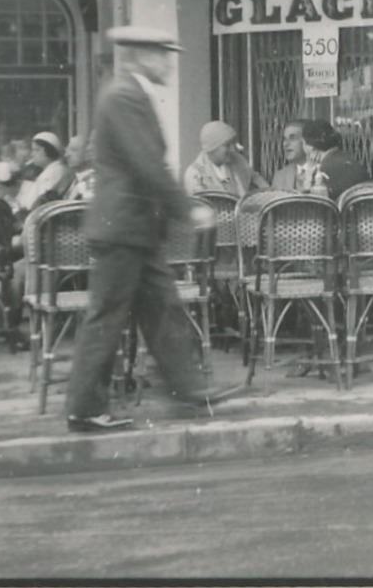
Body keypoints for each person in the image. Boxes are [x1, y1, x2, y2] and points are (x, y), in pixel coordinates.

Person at [63, 27, 243, 433]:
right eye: (163, 55)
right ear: (141, 56)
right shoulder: (125, 96)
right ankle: (85, 408)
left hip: (132, 228)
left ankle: (189, 391)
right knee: (108, 317)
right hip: (124, 226)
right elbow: (147, 163)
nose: (168, 63)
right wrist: (188, 210)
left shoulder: (126, 92)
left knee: (162, 310)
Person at [184, 120, 269, 197]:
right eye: (227, 145)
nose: (233, 149)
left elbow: (255, 177)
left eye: (233, 144)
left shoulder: (238, 160)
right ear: (212, 148)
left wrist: (268, 195)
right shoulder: (196, 175)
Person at [300, 119, 370, 200]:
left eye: (303, 143)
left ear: (310, 147)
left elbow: (307, 205)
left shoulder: (320, 173)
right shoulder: (353, 162)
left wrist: (309, 172)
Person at [18, 131, 73, 212]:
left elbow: (41, 205)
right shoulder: (48, 170)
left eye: (37, 150)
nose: (32, 154)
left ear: (49, 150)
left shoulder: (54, 172)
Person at [270, 121, 308, 192]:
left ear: (307, 141)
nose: (285, 144)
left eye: (292, 138)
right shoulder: (280, 176)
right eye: (284, 139)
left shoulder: (323, 171)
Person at [64, 134, 95, 201]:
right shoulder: (74, 180)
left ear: (88, 154)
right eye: (67, 150)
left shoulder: (91, 182)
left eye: (73, 150)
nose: (67, 155)